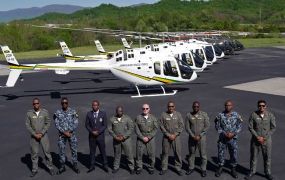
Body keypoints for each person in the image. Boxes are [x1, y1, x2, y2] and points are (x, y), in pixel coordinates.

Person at [245, 100, 276, 180]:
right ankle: (252, 171)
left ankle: (268, 172)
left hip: (267, 141)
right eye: (259, 106)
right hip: (256, 140)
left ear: (266, 106)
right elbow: (250, 127)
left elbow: (273, 128)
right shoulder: (253, 115)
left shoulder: (270, 115)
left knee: (267, 157)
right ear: (258, 106)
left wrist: (264, 138)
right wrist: (257, 137)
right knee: (253, 157)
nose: (261, 107)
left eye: (263, 105)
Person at [25, 98, 55, 177]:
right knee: (34, 154)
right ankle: (34, 170)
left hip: (43, 136)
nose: (36, 105)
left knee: (47, 152)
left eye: (37, 103)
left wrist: (42, 133)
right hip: (34, 136)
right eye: (34, 104)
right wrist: (34, 134)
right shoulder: (29, 113)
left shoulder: (44, 112)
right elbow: (28, 125)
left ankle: (50, 168)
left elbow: (48, 123)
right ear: (33, 105)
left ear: (39, 103)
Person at [215, 100, 242, 179]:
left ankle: (233, 168)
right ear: (225, 106)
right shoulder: (220, 115)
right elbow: (217, 126)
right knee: (221, 153)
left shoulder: (236, 115)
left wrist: (233, 133)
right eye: (226, 105)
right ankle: (220, 167)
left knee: (233, 153)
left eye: (229, 105)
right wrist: (224, 133)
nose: (228, 107)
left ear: (232, 106)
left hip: (232, 139)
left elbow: (239, 126)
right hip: (223, 138)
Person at [54, 97, 80, 174]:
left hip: (71, 134)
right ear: (61, 104)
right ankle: (62, 166)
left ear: (68, 103)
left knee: (74, 150)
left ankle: (75, 165)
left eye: (66, 103)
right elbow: (56, 124)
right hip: (62, 135)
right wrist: (64, 132)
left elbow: (76, 122)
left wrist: (69, 131)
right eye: (63, 103)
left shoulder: (73, 111)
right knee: (61, 151)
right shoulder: (57, 112)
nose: (64, 104)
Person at [185, 101, 210, 177]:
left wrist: (200, 135)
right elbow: (187, 127)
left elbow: (207, 126)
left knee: (203, 154)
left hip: (201, 138)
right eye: (194, 106)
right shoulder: (189, 115)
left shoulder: (204, 115)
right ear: (192, 107)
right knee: (191, 153)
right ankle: (191, 167)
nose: (196, 108)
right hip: (192, 138)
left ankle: (203, 169)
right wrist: (192, 136)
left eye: (197, 106)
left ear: (199, 107)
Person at [108, 106, 135, 174]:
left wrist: (124, 137)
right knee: (117, 154)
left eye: (121, 111)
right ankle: (116, 167)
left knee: (129, 154)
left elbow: (131, 128)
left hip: (126, 140)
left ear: (123, 111)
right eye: (118, 111)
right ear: (116, 111)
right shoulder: (112, 119)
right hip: (116, 140)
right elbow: (110, 129)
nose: (120, 112)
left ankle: (131, 168)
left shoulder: (127, 118)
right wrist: (115, 136)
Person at [160, 101, 184, 176]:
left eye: (172, 106)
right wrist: (168, 134)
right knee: (165, 153)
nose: (171, 108)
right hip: (166, 138)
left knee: (177, 153)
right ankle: (164, 168)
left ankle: (178, 168)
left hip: (176, 137)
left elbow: (181, 126)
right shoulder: (163, 115)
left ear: (174, 107)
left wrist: (175, 134)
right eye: (169, 106)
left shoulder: (178, 114)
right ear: (167, 107)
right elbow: (161, 126)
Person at [85, 100, 108, 173]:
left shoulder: (103, 114)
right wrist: (92, 131)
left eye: (96, 105)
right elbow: (87, 125)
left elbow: (105, 125)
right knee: (92, 152)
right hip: (92, 137)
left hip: (100, 137)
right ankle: (92, 166)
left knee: (103, 151)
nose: (94, 106)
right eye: (93, 105)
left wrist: (98, 132)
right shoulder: (89, 114)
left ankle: (105, 165)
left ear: (98, 106)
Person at [135, 104, 158, 175]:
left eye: (146, 108)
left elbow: (155, 128)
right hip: (140, 139)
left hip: (150, 139)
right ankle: (139, 167)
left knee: (151, 154)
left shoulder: (153, 118)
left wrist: (149, 137)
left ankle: (151, 168)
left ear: (149, 109)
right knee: (139, 154)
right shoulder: (138, 118)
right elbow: (136, 129)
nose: (145, 110)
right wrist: (142, 137)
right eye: (143, 108)